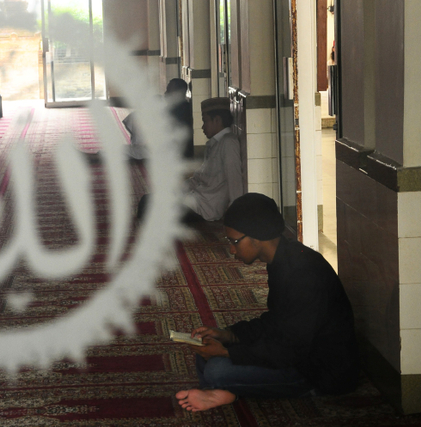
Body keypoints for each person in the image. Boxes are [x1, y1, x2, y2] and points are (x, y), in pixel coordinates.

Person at [176, 193, 360, 412]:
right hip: (292, 352)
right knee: (206, 354)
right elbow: (275, 322)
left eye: (234, 241)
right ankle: (220, 390)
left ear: (256, 238)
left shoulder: (304, 275)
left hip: (317, 371)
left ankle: (226, 392)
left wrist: (228, 353)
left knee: (217, 369)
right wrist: (229, 335)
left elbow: (291, 351)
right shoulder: (282, 260)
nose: (232, 250)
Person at [137, 97, 243, 223]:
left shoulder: (229, 143)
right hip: (193, 200)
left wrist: (236, 215)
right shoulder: (215, 143)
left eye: (205, 121)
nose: (203, 127)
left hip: (203, 209)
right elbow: (200, 179)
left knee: (148, 206)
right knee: (147, 200)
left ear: (217, 120)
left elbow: (234, 181)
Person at [87, 78, 193, 163]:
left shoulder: (181, 111)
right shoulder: (176, 107)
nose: (165, 94)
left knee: (125, 152)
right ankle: (94, 156)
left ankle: (94, 157)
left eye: (168, 91)